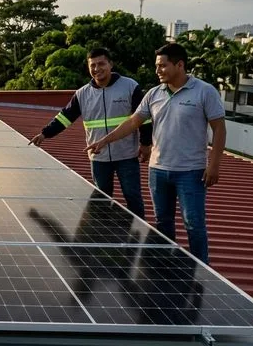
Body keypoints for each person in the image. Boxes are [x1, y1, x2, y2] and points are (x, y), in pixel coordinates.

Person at [85, 43, 226, 264]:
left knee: (194, 223)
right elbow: (133, 121)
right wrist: (105, 140)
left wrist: (214, 164)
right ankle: (165, 265)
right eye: (156, 66)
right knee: (163, 222)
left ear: (180, 65)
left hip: (190, 171)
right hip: (158, 170)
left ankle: (203, 270)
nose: (157, 70)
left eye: (163, 66)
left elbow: (219, 128)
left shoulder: (204, 91)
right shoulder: (154, 94)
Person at [30, 47, 151, 218]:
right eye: (92, 65)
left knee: (133, 198)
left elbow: (144, 118)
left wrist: (146, 144)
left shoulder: (130, 86)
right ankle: (105, 238)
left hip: (126, 155)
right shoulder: (82, 94)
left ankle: (142, 240)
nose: (96, 69)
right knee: (101, 200)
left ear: (111, 64)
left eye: (101, 64)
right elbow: (65, 117)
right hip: (98, 157)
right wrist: (45, 133)